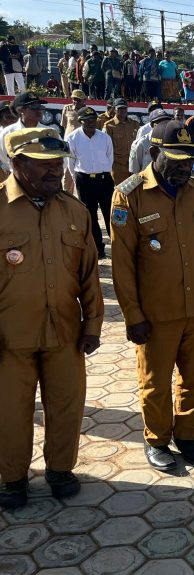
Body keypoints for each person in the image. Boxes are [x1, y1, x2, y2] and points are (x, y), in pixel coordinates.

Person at [110, 120, 194, 471]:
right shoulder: (128, 194)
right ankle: (157, 439)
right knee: (155, 381)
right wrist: (133, 315)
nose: (183, 167)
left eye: (188, 160)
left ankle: (187, 435)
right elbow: (122, 264)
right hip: (156, 313)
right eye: (175, 160)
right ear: (154, 152)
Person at [0, 128, 103, 508]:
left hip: (64, 333)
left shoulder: (74, 210)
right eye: (44, 164)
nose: (55, 171)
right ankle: (12, 479)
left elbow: (89, 274)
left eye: (58, 163)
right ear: (17, 163)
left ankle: (60, 469)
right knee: (10, 412)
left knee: (66, 406)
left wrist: (92, 325)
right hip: (10, 338)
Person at [65, 107, 114, 259]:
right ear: (81, 122)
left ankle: (118, 246)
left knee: (110, 214)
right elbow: (70, 162)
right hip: (84, 180)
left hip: (104, 180)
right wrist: (77, 179)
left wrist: (105, 173)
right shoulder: (72, 138)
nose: (91, 123)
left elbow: (109, 157)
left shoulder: (104, 137)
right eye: (87, 121)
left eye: (93, 120)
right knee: (90, 216)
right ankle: (99, 249)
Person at [0, 92, 46, 177]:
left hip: (44, 180)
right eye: (34, 107)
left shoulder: (49, 132)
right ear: (20, 110)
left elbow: (62, 160)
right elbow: (4, 157)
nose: (39, 110)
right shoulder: (7, 133)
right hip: (17, 178)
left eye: (40, 106)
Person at [104, 98, 140, 185]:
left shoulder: (134, 124)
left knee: (134, 190)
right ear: (114, 109)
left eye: (124, 108)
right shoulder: (109, 126)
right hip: (118, 166)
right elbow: (106, 148)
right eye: (119, 108)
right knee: (120, 191)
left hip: (133, 164)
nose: (122, 111)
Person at [129, 108, 171, 174]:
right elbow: (134, 172)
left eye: (165, 122)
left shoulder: (171, 142)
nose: (163, 125)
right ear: (151, 125)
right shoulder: (140, 144)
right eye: (159, 123)